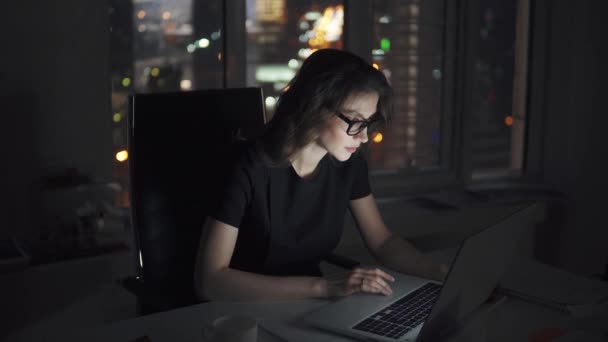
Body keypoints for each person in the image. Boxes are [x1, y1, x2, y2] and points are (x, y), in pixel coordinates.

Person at [194, 48, 447, 302]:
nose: (363, 136)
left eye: (368, 122)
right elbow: (211, 282)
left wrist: (441, 274)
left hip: (309, 306)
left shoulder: (348, 164)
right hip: (241, 315)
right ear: (314, 106)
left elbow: (382, 242)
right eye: (355, 121)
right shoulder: (247, 166)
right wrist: (322, 287)